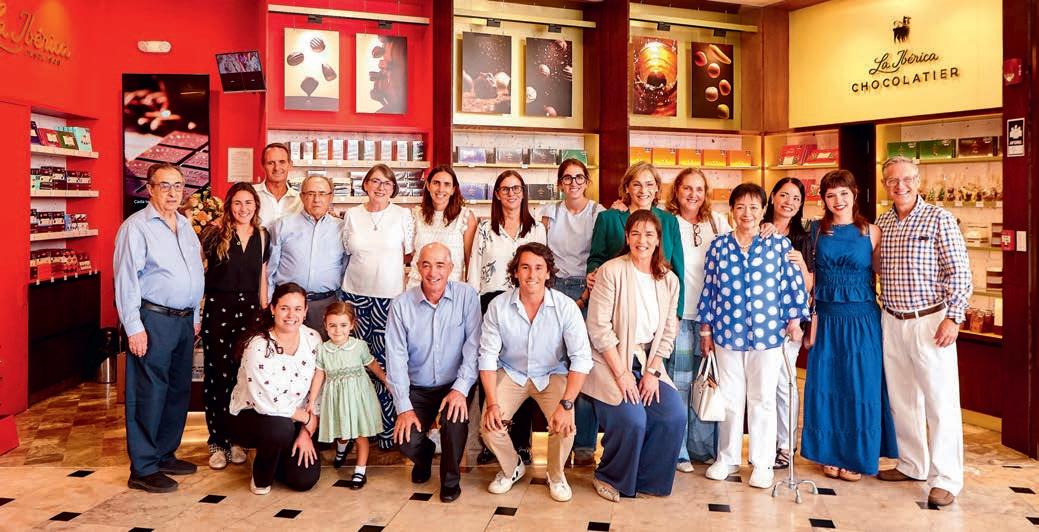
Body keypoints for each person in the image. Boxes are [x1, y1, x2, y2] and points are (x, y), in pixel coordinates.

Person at [697, 183, 810, 489]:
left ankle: (762, 463)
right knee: (731, 398)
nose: (747, 213)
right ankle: (727, 458)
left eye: (754, 207)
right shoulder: (719, 246)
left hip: (768, 335)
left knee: (763, 399)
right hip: (727, 334)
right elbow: (709, 290)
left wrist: (794, 321)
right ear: (731, 211)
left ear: (763, 211)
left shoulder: (779, 245)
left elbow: (792, 287)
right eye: (740, 207)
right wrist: (706, 329)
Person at [875, 156, 971, 507]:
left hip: (931, 321)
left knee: (939, 401)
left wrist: (953, 318)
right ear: (885, 184)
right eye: (892, 180)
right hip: (892, 318)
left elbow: (959, 272)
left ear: (918, 181)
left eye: (906, 179)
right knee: (902, 399)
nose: (900, 186)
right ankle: (912, 463)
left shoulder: (939, 218)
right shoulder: (883, 222)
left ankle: (947, 478)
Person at [800, 170, 898, 482]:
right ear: (823, 199)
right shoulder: (814, 230)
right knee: (827, 386)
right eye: (830, 195)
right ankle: (829, 453)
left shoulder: (873, 232)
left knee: (861, 386)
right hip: (827, 319)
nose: (838, 200)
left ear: (854, 194)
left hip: (862, 319)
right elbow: (809, 277)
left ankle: (857, 456)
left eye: (843, 193)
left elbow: (884, 273)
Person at [583, 210, 686, 502]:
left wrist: (652, 373)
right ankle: (609, 475)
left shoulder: (669, 279)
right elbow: (598, 328)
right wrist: (622, 373)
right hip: (609, 361)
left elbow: (669, 331)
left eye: (649, 234)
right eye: (636, 233)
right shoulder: (611, 271)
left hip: (647, 361)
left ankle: (645, 478)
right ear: (627, 237)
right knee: (632, 418)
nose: (642, 240)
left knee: (673, 414)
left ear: (658, 240)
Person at [114, 162, 204, 493]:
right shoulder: (136, 228)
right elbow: (126, 280)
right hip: (153, 320)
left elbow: (194, 273)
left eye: (178, 186)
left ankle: (165, 454)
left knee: (177, 391)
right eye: (164, 185)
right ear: (150, 189)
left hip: (183, 321)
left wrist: (195, 315)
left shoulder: (185, 225)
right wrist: (133, 327)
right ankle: (143, 467)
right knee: (149, 392)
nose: (172, 192)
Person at [478, 243, 592, 503]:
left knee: (566, 425)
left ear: (548, 272)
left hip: (551, 373)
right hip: (512, 371)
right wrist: (492, 404)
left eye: (539, 268)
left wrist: (566, 404)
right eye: (525, 267)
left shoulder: (566, 307)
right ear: (515, 272)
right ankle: (512, 467)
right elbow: (487, 356)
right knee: (489, 424)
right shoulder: (497, 306)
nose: (532, 274)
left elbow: (581, 359)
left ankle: (556, 474)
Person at [386, 243, 482, 503]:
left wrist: (460, 389)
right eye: (426, 265)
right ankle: (425, 454)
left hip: (453, 384)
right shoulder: (401, 305)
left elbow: (474, 347)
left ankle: (450, 481)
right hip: (417, 386)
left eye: (440, 265)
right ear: (418, 267)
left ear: (451, 268)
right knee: (405, 439)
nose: (433, 272)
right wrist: (404, 407)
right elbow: (395, 358)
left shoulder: (467, 296)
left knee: (454, 423)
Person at [467, 170, 547, 465]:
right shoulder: (485, 229)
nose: (511, 193)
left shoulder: (535, 228)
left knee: (522, 369)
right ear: (497, 195)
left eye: (516, 188)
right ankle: (492, 440)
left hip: (526, 303)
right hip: (491, 302)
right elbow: (474, 269)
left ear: (523, 193)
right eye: (505, 189)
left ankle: (522, 442)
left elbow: (543, 266)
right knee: (490, 369)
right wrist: (474, 308)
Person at [341, 163, 416, 449]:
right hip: (354, 298)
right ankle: (357, 429)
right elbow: (347, 252)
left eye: (387, 182)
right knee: (356, 364)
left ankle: (386, 430)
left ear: (394, 187)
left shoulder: (402, 215)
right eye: (375, 181)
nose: (380, 187)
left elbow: (408, 254)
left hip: (389, 299)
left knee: (386, 365)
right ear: (365, 185)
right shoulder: (352, 215)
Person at [538, 158, 605, 466]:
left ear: (587, 181)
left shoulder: (599, 213)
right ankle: (560, 440)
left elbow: (604, 254)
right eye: (567, 178)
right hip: (554, 288)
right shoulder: (548, 212)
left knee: (585, 366)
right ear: (559, 183)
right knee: (557, 367)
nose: (573, 183)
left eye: (579, 177)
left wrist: (588, 292)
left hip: (588, 289)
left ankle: (585, 446)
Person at [199, 182, 270, 470]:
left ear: (256, 206)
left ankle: (237, 439)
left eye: (248, 203)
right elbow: (199, 271)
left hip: (250, 312)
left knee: (244, 377)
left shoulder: (262, 235)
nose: (243, 208)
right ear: (229, 206)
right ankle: (217, 441)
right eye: (238, 203)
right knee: (217, 376)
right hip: (218, 309)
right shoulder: (213, 233)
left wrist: (265, 312)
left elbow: (262, 275)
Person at [665, 168, 732, 473]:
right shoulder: (668, 221)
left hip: (712, 317)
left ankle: (702, 448)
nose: (693, 194)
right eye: (687, 188)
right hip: (680, 315)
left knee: (707, 381)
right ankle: (678, 451)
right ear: (676, 191)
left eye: (699, 189)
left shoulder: (717, 223)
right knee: (679, 383)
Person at [229, 283, 323, 494]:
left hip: (297, 420)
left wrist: (306, 431)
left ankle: (278, 453)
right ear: (272, 309)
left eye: (298, 309)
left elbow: (317, 389)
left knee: (304, 480)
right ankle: (261, 475)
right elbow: (267, 400)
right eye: (284, 308)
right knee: (279, 428)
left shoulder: (313, 338)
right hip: (255, 416)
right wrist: (306, 418)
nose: (291, 315)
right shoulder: (258, 345)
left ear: (305, 311)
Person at [306, 302, 389, 489]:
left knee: (360, 434)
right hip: (337, 397)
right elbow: (319, 375)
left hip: (358, 397)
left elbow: (372, 364)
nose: (338, 330)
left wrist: (385, 380)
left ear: (352, 325)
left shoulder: (359, 346)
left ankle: (360, 471)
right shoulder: (323, 349)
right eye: (332, 325)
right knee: (342, 430)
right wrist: (311, 401)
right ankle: (342, 449)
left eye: (343, 325)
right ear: (325, 325)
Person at [587, 162, 685, 318]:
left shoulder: (669, 221)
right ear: (627, 188)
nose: (643, 190)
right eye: (637, 184)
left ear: (657, 188)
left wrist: (677, 314)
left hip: (658, 304)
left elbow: (678, 270)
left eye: (649, 184)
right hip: (618, 304)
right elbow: (596, 258)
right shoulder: (608, 218)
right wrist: (592, 273)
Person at [761, 177, 813, 470]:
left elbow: (808, 286)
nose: (789, 202)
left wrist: (801, 263)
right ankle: (764, 443)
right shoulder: (757, 226)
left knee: (784, 382)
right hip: (757, 322)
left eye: (796, 198)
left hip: (788, 324)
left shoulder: (803, 238)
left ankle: (785, 445)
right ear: (772, 196)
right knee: (761, 386)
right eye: (784, 195)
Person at [267, 174, 347, 339]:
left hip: (325, 304)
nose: (316, 199)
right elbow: (270, 268)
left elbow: (345, 267)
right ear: (302, 196)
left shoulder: (342, 228)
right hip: (288, 304)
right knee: (286, 348)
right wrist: (268, 300)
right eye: (311, 193)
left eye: (322, 194)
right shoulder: (282, 225)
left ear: (331, 196)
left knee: (323, 351)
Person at [407, 165, 477, 289]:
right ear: (428, 186)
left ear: (453, 190)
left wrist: (470, 292)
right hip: (417, 288)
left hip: (451, 289)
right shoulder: (415, 215)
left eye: (447, 184)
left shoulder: (465, 217)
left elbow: (470, 262)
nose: (441, 189)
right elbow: (408, 253)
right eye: (436, 183)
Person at [255, 142, 302, 228]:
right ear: (263, 166)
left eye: (282, 162)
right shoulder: (251, 195)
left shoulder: (300, 200)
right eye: (271, 163)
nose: (276, 168)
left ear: (290, 165)